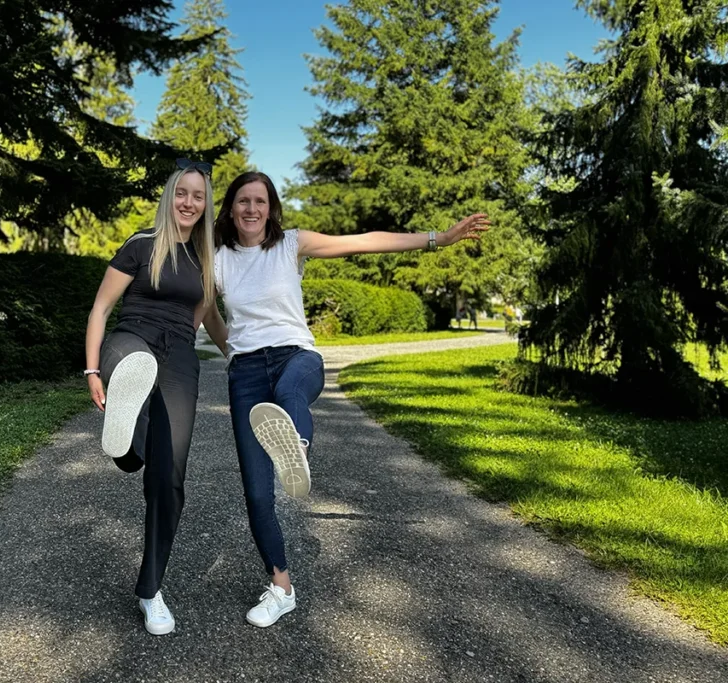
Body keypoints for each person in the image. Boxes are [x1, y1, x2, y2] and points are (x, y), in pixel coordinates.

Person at [201, 171, 489, 628]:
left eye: (260, 201)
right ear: (230, 209)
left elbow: (364, 241)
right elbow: (204, 312)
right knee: (256, 494)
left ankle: (296, 448)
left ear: (271, 209)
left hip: (296, 357)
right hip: (246, 374)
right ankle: (281, 589)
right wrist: (229, 350)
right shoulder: (218, 260)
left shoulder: (291, 244)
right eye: (243, 201)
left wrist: (439, 238)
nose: (251, 209)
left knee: (291, 392)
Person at [83, 159, 216, 636]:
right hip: (131, 339)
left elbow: (204, 315)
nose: (188, 202)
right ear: (169, 196)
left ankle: (150, 589)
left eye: (197, 196)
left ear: (206, 204)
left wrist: (236, 352)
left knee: (169, 476)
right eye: (181, 193)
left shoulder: (207, 259)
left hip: (178, 355)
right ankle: (126, 432)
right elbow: (101, 308)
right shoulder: (142, 243)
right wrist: (92, 369)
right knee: (135, 366)